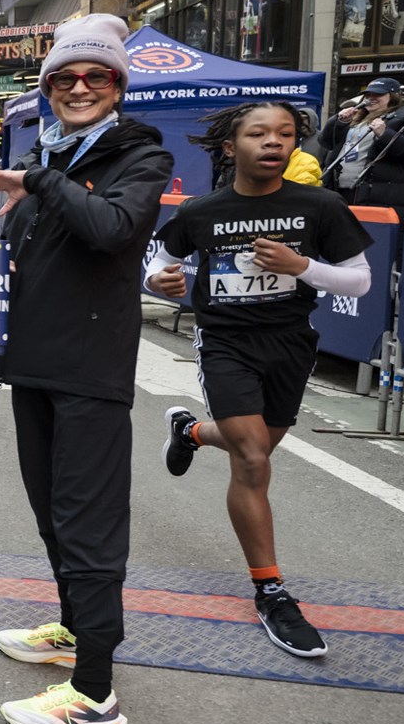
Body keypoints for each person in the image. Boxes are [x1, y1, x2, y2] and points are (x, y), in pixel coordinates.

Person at [0, 14, 173, 724]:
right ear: (48, 88)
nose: (79, 87)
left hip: (90, 373)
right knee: (53, 513)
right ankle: (74, 630)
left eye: (97, 76)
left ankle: (94, 697)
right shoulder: (52, 154)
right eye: (66, 78)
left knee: (89, 527)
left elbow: (112, 229)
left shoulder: (137, 156)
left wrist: (41, 182)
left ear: (118, 86)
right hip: (37, 368)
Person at [149, 102, 374, 658]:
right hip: (226, 342)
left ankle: (192, 433)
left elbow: (362, 283)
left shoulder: (320, 205)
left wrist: (302, 269)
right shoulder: (202, 211)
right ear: (231, 147)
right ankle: (271, 590)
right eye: (259, 134)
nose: (274, 142)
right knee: (253, 458)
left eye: (286, 134)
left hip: (291, 343)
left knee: (261, 444)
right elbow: (156, 262)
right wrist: (161, 282)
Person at [317, 77, 404, 219]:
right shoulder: (357, 118)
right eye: (368, 95)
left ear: (393, 96)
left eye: (378, 95)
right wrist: (338, 122)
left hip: (376, 193)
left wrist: (385, 134)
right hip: (341, 189)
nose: (371, 98)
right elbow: (326, 142)